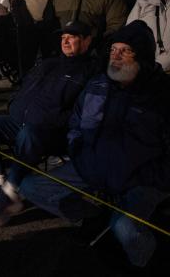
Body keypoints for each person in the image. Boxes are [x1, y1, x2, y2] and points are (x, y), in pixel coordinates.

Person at [18, 21, 170, 268]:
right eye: (113, 50)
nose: (116, 56)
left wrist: (147, 176)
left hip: (141, 178)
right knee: (31, 187)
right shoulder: (98, 84)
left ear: (141, 56)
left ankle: (146, 262)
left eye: (125, 51)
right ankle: (94, 215)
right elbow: (76, 125)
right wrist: (79, 153)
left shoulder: (161, 94)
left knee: (126, 228)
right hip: (92, 165)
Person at [0, 20, 96, 226]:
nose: (65, 41)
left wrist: (51, 120)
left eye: (72, 37)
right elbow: (23, 86)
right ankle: (2, 186)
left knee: (29, 134)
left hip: (52, 132)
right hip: (21, 121)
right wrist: (14, 102)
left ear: (86, 41)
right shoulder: (50, 63)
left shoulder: (89, 71)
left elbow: (82, 112)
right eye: (63, 38)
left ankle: (7, 196)